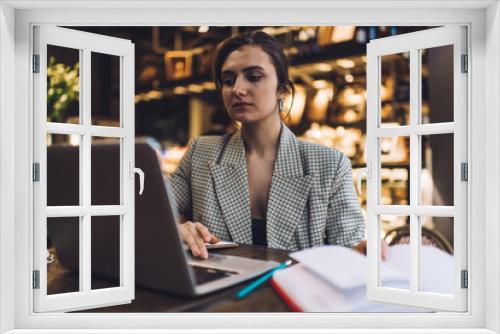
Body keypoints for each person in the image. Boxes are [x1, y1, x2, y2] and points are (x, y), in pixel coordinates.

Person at [169, 30, 387, 260]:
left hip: (299, 292)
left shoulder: (330, 164)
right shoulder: (201, 153)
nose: (237, 89)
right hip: (220, 292)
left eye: (253, 77)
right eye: (228, 80)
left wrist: (364, 249)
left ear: (282, 89)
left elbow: (349, 245)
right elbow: (147, 209)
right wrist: (176, 228)